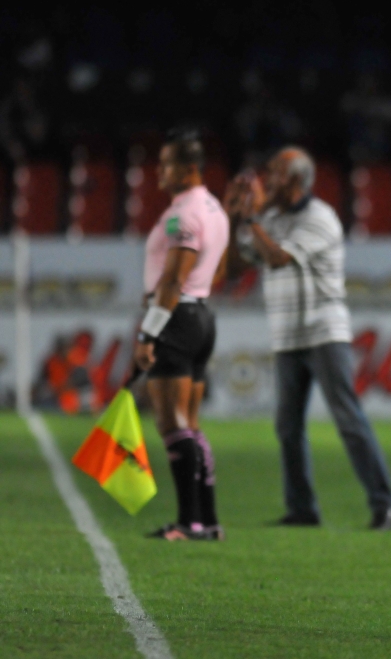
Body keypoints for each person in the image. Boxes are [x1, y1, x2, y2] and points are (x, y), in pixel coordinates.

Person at [225, 147, 391, 530]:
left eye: (273, 172)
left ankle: (385, 502)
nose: (266, 178)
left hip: (325, 333)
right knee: (288, 427)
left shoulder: (319, 218)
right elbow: (235, 264)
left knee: (347, 420)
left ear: (294, 181)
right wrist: (233, 217)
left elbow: (276, 259)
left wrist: (251, 218)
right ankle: (302, 509)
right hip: (286, 335)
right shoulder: (269, 217)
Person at [135, 129, 229, 541]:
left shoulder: (182, 215)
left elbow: (172, 280)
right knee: (190, 424)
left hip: (177, 316)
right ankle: (207, 521)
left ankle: (188, 522)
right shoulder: (214, 209)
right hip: (202, 316)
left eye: (167, 163)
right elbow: (219, 270)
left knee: (172, 425)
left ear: (189, 168)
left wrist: (147, 333)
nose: (159, 171)